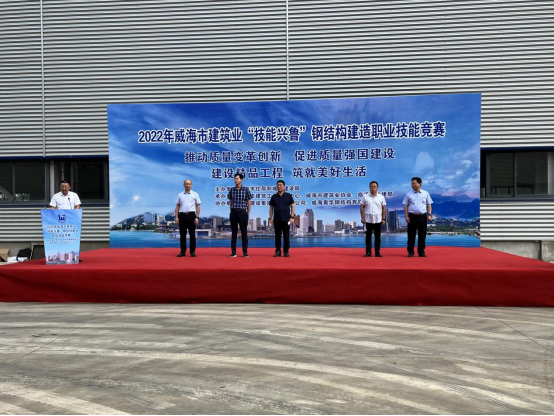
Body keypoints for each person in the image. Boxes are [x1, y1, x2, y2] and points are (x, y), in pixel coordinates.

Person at [403, 177, 433, 257]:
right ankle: (410, 252)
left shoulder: (425, 193)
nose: (412, 185)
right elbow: (405, 206)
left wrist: (429, 214)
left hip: (422, 216)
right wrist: (406, 216)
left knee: (422, 235)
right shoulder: (408, 194)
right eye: (411, 184)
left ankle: (421, 251)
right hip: (412, 216)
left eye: (414, 183)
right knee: (411, 235)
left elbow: (429, 204)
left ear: (419, 184)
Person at [175, 179, 201, 257]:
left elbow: (198, 206)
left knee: (192, 234)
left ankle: (192, 251)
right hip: (182, 215)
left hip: (191, 215)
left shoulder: (195, 194)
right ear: (184, 185)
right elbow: (177, 206)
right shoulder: (180, 195)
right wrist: (176, 217)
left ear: (191, 185)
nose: (188, 185)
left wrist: (197, 217)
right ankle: (182, 251)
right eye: (186, 184)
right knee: (182, 234)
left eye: (189, 184)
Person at [228, 173, 252, 258]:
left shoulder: (246, 190)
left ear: (241, 180)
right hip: (233, 213)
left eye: (237, 178)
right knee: (234, 233)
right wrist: (231, 211)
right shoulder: (232, 190)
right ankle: (233, 252)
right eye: (235, 179)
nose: (236, 180)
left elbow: (249, 203)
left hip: (242, 213)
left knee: (244, 233)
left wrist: (247, 214)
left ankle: (245, 252)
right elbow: (230, 202)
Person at [269, 180, 295, 257]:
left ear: (284, 186)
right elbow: (271, 208)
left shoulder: (289, 196)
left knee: (286, 236)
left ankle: (286, 251)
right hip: (277, 219)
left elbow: (292, 206)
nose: (279, 186)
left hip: (286, 219)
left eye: (280, 185)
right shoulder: (274, 197)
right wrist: (271, 218)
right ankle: (278, 251)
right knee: (277, 236)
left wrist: (292, 217)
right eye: (278, 185)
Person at [360, 181, 386, 257]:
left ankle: (377, 252)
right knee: (368, 237)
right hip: (368, 220)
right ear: (369, 187)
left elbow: (384, 208)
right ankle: (368, 252)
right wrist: (362, 217)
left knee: (378, 237)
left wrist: (383, 219)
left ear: (377, 188)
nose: (373, 188)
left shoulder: (381, 197)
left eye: (374, 186)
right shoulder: (365, 197)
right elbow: (361, 207)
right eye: (371, 186)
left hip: (378, 220)